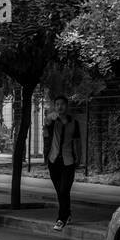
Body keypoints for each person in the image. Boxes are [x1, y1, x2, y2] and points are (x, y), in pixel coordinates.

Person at [43, 95, 82, 231]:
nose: (60, 107)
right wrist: (49, 118)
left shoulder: (74, 123)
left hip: (68, 161)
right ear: (55, 106)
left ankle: (61, 219)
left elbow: (77, 141)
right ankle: (68, 213)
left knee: (64, 189)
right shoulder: (53, 121)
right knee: (61, 192)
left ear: (67, 106)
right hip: (53, 161)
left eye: (62, 104)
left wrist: (79, 156)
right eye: (57, 104)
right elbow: (46, 123)